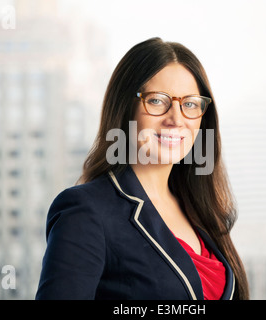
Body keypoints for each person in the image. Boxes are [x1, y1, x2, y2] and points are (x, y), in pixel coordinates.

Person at [35, 37, 249, 300]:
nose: (176, 119)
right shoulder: (86, 211)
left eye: (190, 104)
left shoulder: (202, 211)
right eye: (158, 101)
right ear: (126, 108)